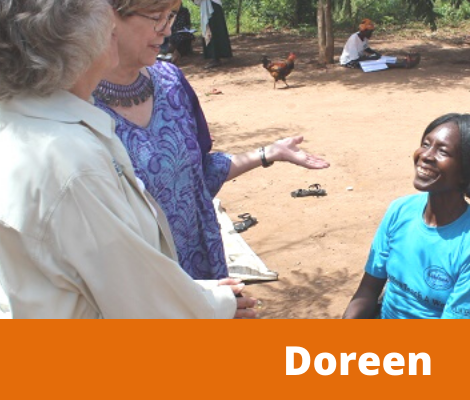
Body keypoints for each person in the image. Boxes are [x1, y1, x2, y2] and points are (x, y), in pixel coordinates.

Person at [0, 0, 257, 318]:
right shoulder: (71, 163)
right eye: (101, 17)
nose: (111, 26)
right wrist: (219, 305)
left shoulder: (5, 124)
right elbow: (137, 304)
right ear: (72, 39)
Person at [95, 0, 329, 281]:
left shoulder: (171, 82)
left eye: (170, 18)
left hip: (197, 273)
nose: (166, 32)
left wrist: (269, 152)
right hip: (131, 287)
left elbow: (197, 175)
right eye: (156, 18)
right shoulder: (70, 109)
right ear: (106, 16)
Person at [343, 113, 470, 319]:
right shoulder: (400, 211)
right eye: (426, 144)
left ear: (466, 171)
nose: (426, 156)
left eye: (443, 151)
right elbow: (367, 291)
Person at [339, 19, 420, 70]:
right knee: (378, 63)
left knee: (380, 58)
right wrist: (372, 58)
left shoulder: (364, 37)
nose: (371, 34)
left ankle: (403, 61)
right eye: (370, 32)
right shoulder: (354, 39)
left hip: (357, 58)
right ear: (364, 30)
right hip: (349, 62)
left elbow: (366, 48)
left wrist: (376, 54)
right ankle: (403, 65)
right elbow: (355, 59)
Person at [195, 0, 233, 69]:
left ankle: (216, 57)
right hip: (210, 5)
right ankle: (216, 56)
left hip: (212, 6)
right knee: (213, 30)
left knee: (214, 30)